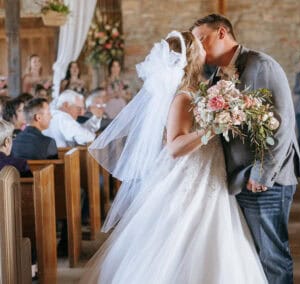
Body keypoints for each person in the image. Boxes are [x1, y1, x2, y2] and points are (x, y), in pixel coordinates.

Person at [79, 31, 267, 283]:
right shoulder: (182, 97)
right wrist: (213, 128)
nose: (204, 51)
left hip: (208, 175)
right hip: (190, 176)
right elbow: (175, 147)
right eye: (200, 48)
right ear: (191, 56)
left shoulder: (194, 92)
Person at [191, 14, 300, 283]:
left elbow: (280, 124)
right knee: (250, 255)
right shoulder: (216, 74)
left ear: (221, 33)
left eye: (201, 39)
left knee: (272, 256)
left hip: (266, 180)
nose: (198, 47)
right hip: (238, 178)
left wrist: (261, 173)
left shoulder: (261, 65)